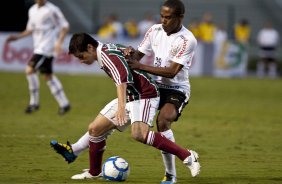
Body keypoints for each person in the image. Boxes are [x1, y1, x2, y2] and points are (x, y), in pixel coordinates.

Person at [50, 33, 200, 180]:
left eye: (81, 56)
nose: (81, 61)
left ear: (90, 47)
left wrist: (121, 107)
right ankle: (92, 170)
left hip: (145, 94)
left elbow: (122, 81)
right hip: (131, 95)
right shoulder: (106, 49)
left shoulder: (107, 56)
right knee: (95, 129)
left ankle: (187, 156)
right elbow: (126, 53)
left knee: (139, 134)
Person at [124, 0, 199, 183]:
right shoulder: (154, 30)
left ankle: (171, 174)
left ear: (180, 17)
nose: (164, 21)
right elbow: (137, 56)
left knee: (163, 120)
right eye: (162, 16)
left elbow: (173, 72)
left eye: (168, 17)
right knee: (122, 117)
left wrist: (140, 65)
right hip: (154, 86)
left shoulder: (187, 40)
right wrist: (128, 53)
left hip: (176, 88)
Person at [5, 0, 71, 115]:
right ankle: (64, 104)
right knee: (47, 76)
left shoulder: (52, 9)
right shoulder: (32, 10)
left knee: (29, 70)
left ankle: (34, 103)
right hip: (38, 47)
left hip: (47, 47)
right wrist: (17, 37)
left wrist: (59, 43)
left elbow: (65, 26)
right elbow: (30, 29)